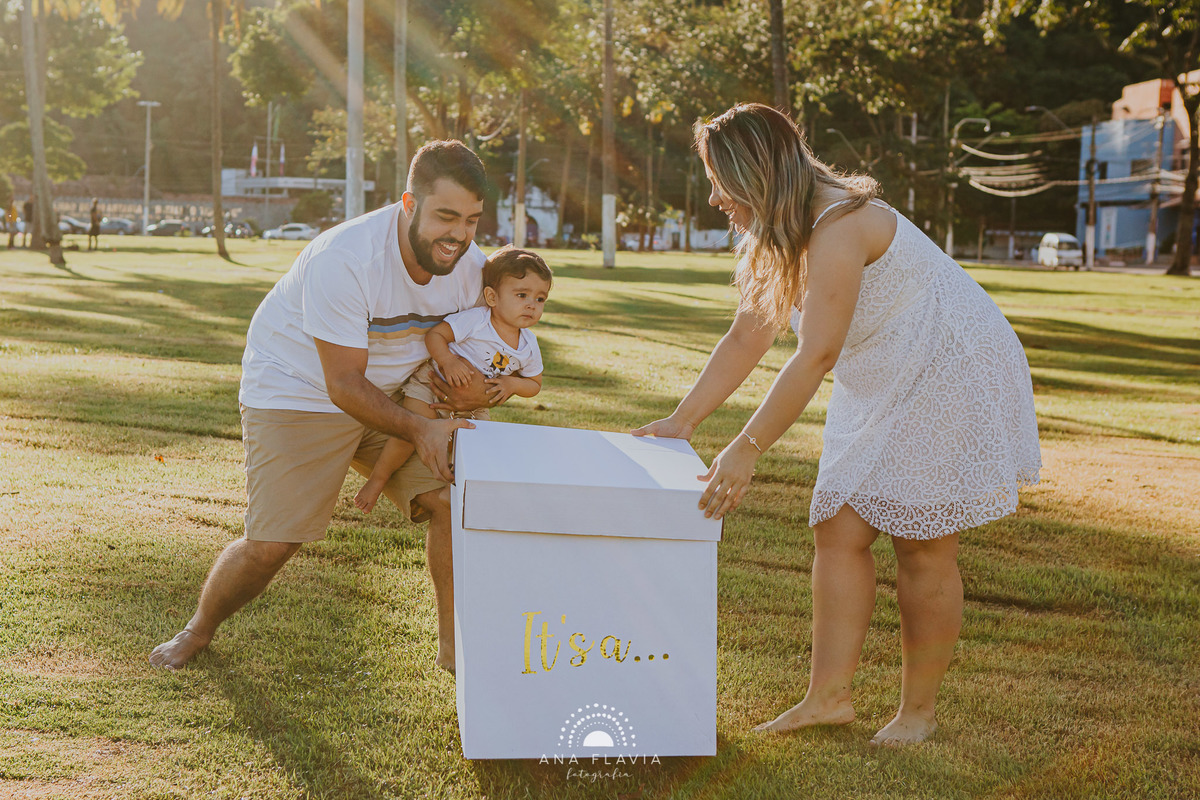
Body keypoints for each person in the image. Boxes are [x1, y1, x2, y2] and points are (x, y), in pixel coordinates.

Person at [633, 104, 1040, 747]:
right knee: (839, 525)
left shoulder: (841, 225)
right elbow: (749, 332)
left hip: (947, 362)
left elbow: (815, 353)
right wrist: (683, 421)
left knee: (922, 540)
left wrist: (747, 447)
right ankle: (828, 699)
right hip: (881, 367)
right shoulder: (779, 229)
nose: (714, 197)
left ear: (755, 176)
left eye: (719, 181)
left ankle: (917, 715)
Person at [149, 140, 498, 673]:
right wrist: (422, 430)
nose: (459, 235)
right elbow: (342, 384)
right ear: (408, 204)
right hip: (300, 391)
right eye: (445, 216)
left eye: (472, 220)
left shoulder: (472, 269)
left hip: (395, 396)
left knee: (453, 506)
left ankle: (454, 654)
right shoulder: (347, 258)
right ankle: (198, 630)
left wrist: (482, 393)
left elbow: (477, 354)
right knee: (274, 544)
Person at [355, 245, 551, 513]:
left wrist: (512, 384)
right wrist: (448, 361)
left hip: (474, 405)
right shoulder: (478, 321)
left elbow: (535, 384)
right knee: (410, 433)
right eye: (521, 295)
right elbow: (435, 336)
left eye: (540, 299)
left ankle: (470, 491)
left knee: (480, 446)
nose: (532, 305)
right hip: (432, 382)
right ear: (492, 297)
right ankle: (377, 480)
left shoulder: (528, 345)